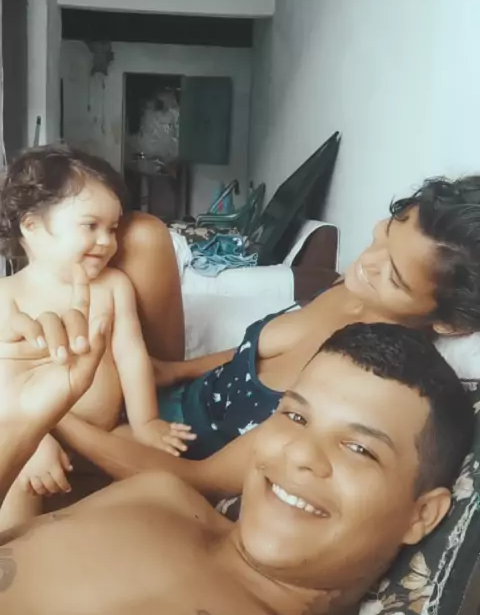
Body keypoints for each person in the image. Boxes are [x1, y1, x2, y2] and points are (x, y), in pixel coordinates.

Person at [0, 286, 473, 615]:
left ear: (423, 516)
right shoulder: (158, 497)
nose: (301, 453)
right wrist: (20, 423)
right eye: (295, 416)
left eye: (359, 448)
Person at [51, 174, 480, 492]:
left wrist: (54, 420)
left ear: (449, 324)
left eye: (394, 277)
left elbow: (198, 479)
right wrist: (172, 370)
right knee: (142, 234)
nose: (368, 261)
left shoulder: (364, 381)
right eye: (384, 235)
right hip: (184, 392)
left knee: (63, 416)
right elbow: (253, 355)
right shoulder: (353, 288)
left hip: (176, 450)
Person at [0, 145, 194, 530]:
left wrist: (146, 422)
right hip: (37, 436)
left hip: (106, 431)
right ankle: (14, 554)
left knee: (167, 477)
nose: (106, 241)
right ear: (31, 226)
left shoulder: (113, 286)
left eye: (113, 228)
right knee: (19, 479)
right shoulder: (8, 297)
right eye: (91, 226)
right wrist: (34, 442)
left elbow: (131, 356)